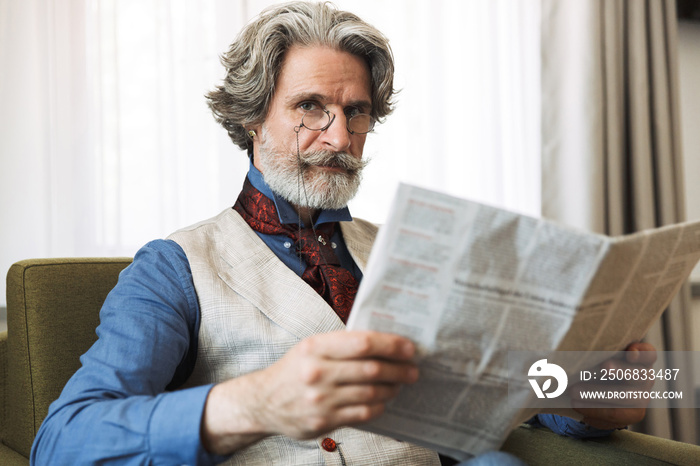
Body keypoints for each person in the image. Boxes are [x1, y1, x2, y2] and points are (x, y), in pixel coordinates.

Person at [31, 2, 656, 465]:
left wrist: (607, 391)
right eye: (310, 108)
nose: (338, 137)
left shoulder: (416, 252)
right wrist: (255, 404)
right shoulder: (174, 267)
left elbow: (516, 395)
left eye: (356, 112)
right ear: (252, 117)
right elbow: (63, 441)